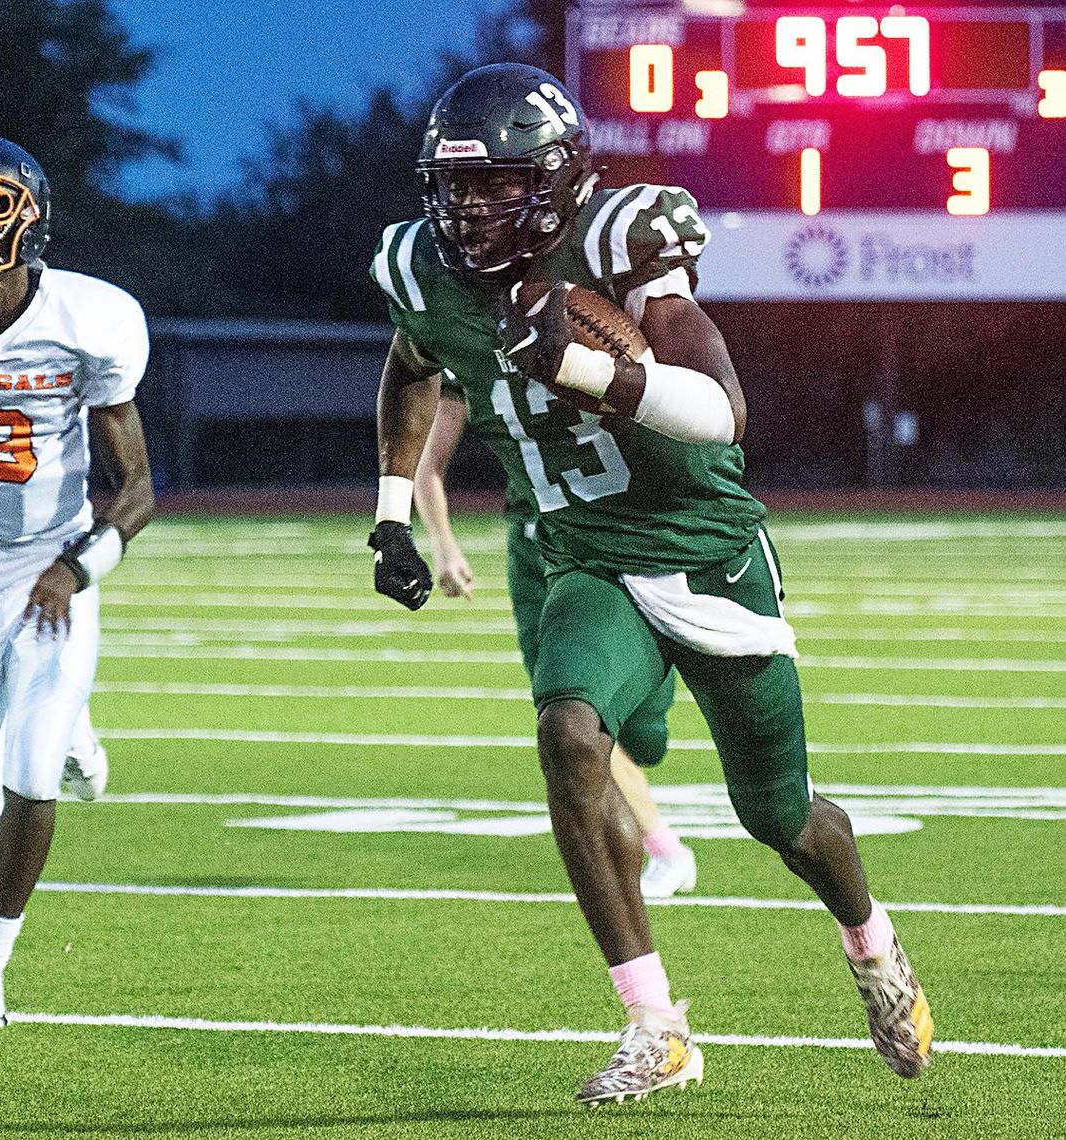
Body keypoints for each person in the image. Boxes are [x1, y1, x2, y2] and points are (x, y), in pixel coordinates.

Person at [367, 65, 933, 1105]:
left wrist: (591, 372)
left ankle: (872, 945)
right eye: (458, 190)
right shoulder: (421, 267)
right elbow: (414, 364)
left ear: (561, 178)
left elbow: (723, 409)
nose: (474, 210)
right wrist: (393, 507)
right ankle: (656, 1028)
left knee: (783, 820)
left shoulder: (621, 239)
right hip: (586, 555)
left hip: (708, 551)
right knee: (570, 733)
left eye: (500, 186)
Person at [0, 134, 154, 1026]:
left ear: (27, 213)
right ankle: (74, 730)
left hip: (50, 565)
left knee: (30, 770)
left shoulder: (93, 316)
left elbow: (136, 491)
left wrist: (74, 567)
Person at [414, 383, 696, 898]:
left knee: (645, 736)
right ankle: (664, 848)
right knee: (572, 716)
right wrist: (444, 545)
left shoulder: (591, 325)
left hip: (618, 541)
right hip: (537, 553)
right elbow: (426, 462)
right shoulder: (466, 347)